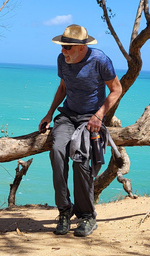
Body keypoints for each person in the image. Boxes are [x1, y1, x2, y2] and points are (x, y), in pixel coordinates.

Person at [39, 24, 122, 237]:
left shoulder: (100, 60)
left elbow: (116, 89)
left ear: (82, 47)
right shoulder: (63, 60)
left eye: (67, 47)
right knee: (57, 152)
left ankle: (87, 215)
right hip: (68, 115)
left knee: (79, 159)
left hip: (90, 118)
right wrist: (49, 114)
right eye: (62, 46)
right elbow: (63, 88)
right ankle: (64, 211)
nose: (62, 51)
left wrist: (99, 115)